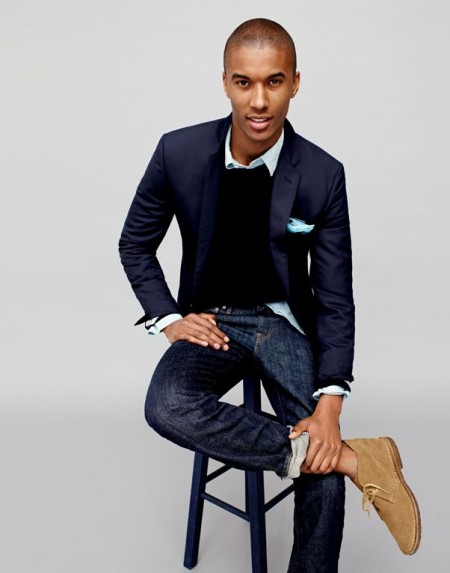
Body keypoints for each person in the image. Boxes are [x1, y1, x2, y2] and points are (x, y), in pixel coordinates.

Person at [119, 18, 421, 571]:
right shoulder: (178, 152)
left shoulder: (322, 174)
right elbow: (135, 244)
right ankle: (355, 460)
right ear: (225, 82)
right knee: (167, 405)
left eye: (274, 82)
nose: (258, 101)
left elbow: (335, 296)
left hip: (283, 323)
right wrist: (167, 318)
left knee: (320, 447)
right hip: (213, 322)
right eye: (244, 82)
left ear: (295, 83)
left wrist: (331, 403)